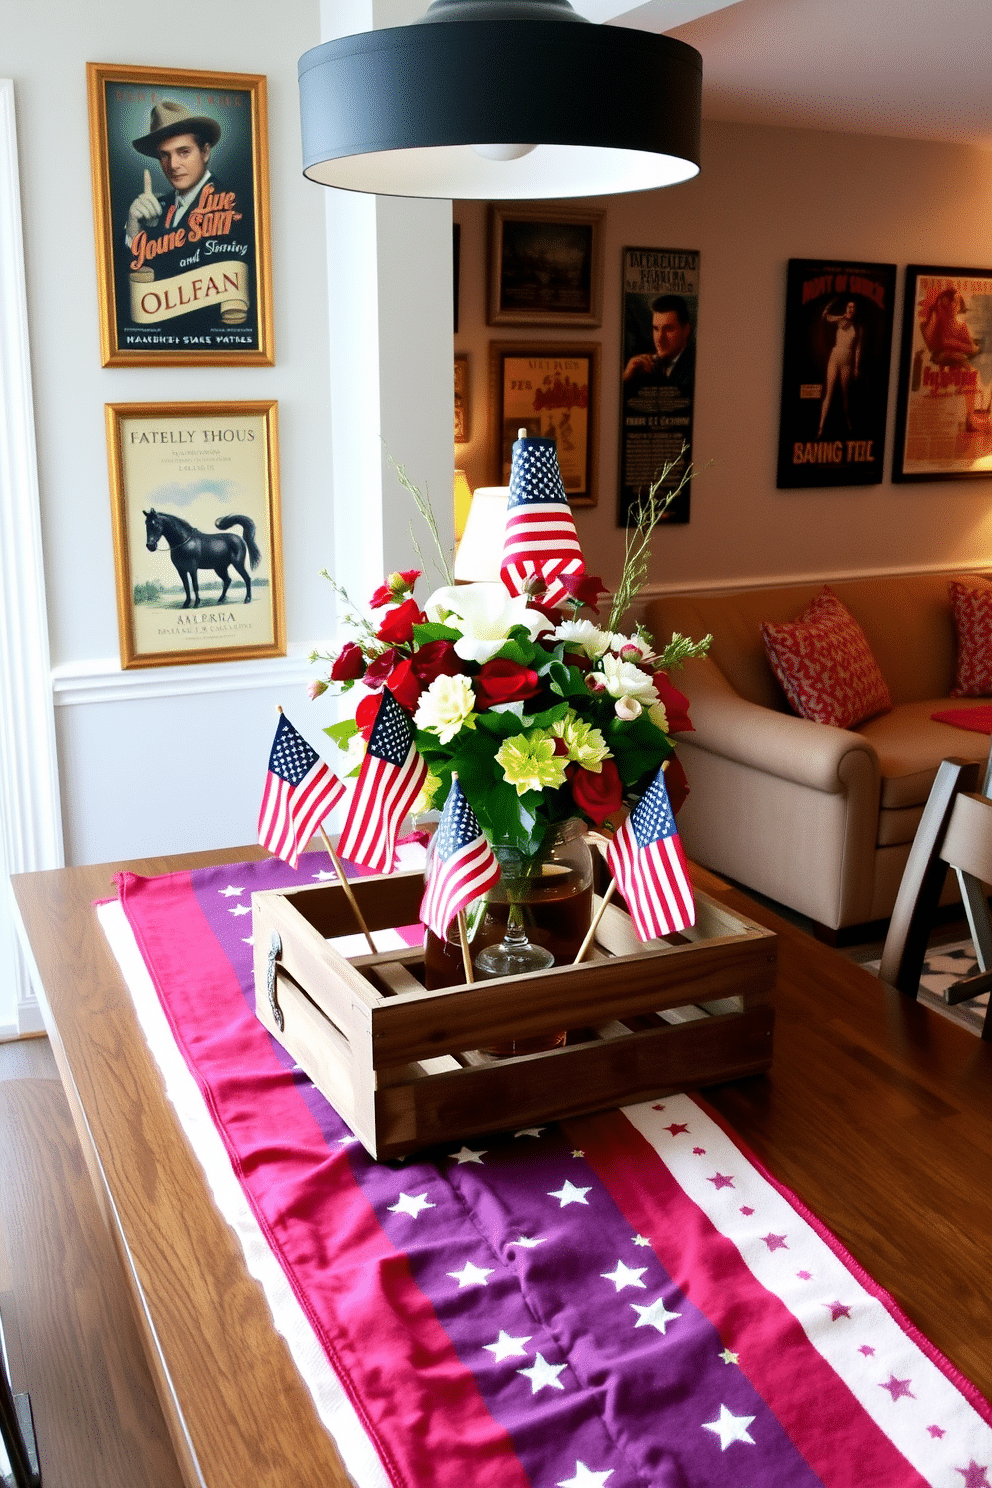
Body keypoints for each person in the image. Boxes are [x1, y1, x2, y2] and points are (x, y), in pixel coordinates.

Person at [121, 100, 249, 340]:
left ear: (206, 151)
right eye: (164, 155)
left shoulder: (232, 204)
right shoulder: (157, 207)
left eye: (183, 152)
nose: (173, 165)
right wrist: (134, 230)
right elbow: (124, 286)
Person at [622, 294, 696, 398]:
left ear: (686, 330)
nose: (660, 338)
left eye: (668, 329)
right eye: (656, 329)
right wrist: (625, 378)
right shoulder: (643, 367)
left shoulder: (695, 367)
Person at [816, 298, 862, 438]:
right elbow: (827, 317)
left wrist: (856, 367)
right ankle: (821, 428)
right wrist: (842, 315)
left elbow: (858, 349)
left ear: (855, 310)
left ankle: (848, 421)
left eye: (853, 307)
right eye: (849, 306)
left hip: (847, 359)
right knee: (828, 393)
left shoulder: (858, 327)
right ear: (846, 308)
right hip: (835, 356)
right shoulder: (840, 321)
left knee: (845, 394)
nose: (850, 309)